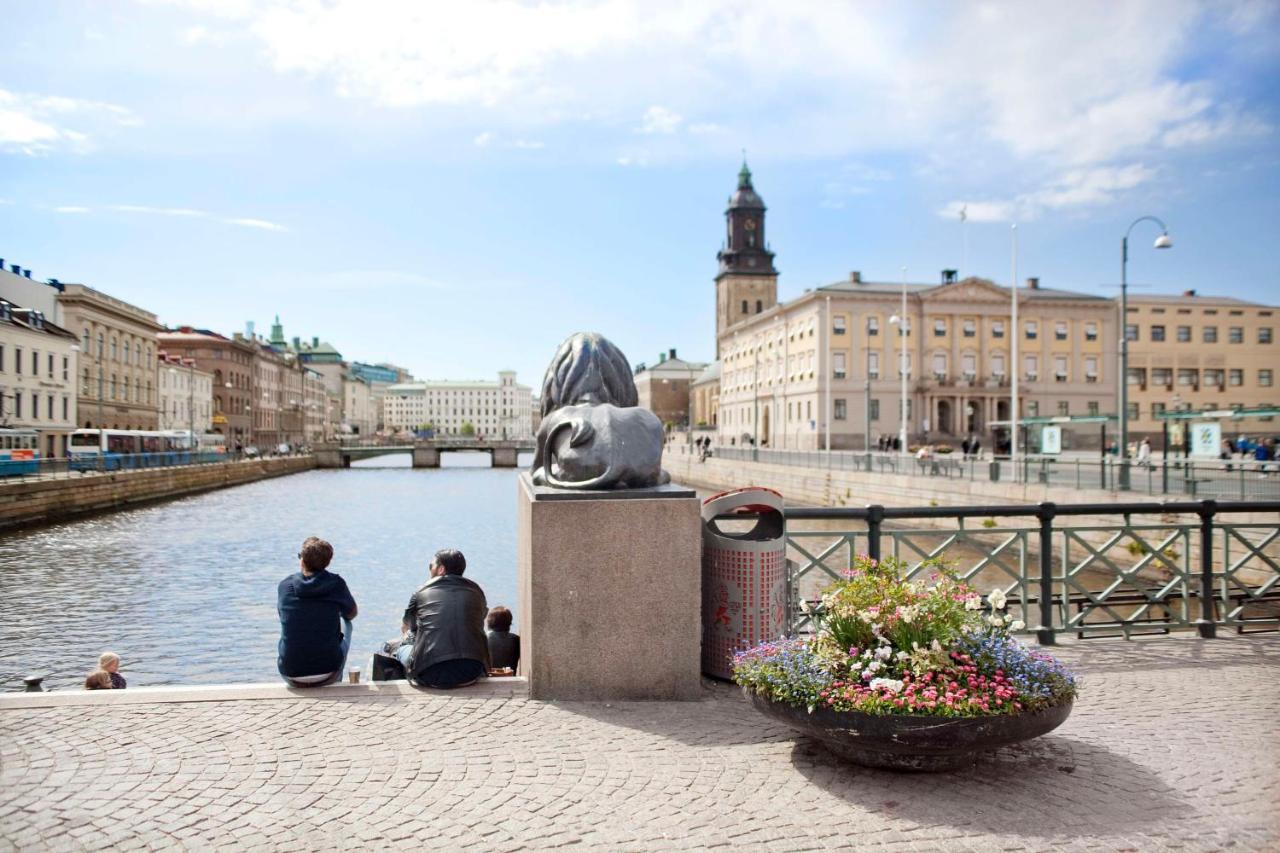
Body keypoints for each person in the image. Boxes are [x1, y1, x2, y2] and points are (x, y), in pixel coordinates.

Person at [397, 549, 490, 689]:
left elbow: (407, 626)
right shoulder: (476, 591)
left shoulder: (420, 592)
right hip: (473, 671)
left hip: (431, 673)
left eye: (431, 566)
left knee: (400, 648)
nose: (430, 570)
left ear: (441, 569)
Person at [277, 537, 357, 688]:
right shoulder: (336, 584)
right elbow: (352, 613)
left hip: (290, 673)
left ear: (302, 560)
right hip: (328, 672)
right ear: (328, 562)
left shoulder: (285, 586)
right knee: (348, 623)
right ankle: (337, 681)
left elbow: (282, 615)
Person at [486, 606, 520, 672]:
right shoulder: (516, 639)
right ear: (509, 624)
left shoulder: (484, 639)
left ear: (489, 623)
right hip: (510, 678)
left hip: (489, 678)